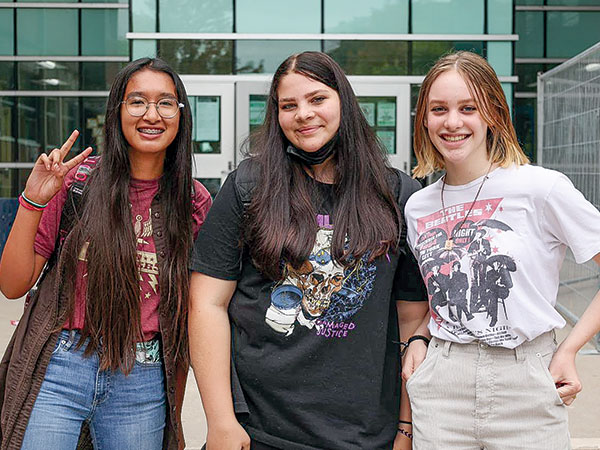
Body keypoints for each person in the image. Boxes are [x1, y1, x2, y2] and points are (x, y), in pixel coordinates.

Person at [188, 51, 428, 450]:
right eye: (289, 105)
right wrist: (221, 420)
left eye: (317, 99)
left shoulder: (397, 194)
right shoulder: (249, 185)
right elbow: (206, 303)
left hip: (367, 434)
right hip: (260, 430)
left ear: (343, 103)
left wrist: (405, 429)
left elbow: (412, 321)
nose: (303, 114)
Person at [0, 57, 212, 449]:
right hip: (60, 366)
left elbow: (192, 317)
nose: (152, 114)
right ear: (117, 112)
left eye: (166, 102)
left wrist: (180, 415)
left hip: (143, 378)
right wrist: (32, 200)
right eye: (137, 102)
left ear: (180, 115)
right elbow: (12, 285)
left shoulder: (193, 203)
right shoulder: (76, 183)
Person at [403, 50, 600, 449]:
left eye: (468, 107)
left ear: (492, 112)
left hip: (526, 379)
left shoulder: (541, 188)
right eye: (439, 109)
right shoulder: (417, 206)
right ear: (424, 118)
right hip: (443, 384)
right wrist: (419, 341)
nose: (452, 122)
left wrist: (569, 349)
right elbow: (436, 298)